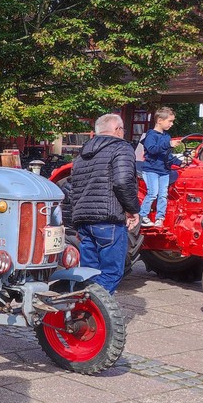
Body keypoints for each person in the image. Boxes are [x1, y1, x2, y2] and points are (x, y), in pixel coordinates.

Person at [70, 113, 141, 294]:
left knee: (89, 273)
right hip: (108, 219)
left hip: (84, 221)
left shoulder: (82, 155)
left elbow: (74, 189)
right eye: (122, 129)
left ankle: (85, 311)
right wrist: (132, 210)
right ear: (117, 130)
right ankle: (94, 309)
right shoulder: (121, 148)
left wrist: (77, 222)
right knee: (111, 272)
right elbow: (123, 181)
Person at [138, 107, 184, 228]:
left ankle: (160, 218)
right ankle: (142, 216)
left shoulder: (166, 136)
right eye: (170, 121)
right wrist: (168, 144)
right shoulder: (151, 135)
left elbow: (167, 156)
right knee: (153, 193)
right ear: (159, 120)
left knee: (163, 194)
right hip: (151, 170)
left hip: (164, 171)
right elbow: (152, 149)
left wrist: (180, 162)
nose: (172, 124)